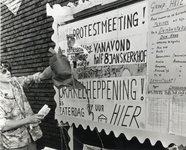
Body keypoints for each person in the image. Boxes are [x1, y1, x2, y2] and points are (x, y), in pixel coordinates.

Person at [0, 59, 52, 150]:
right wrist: (29, 120)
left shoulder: (15, 82)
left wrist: (55, 64)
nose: (8, 72)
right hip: (14, 143)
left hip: (31, 136)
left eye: (9, 69)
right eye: (4, 71)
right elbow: (3, 126)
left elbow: (39, 77)